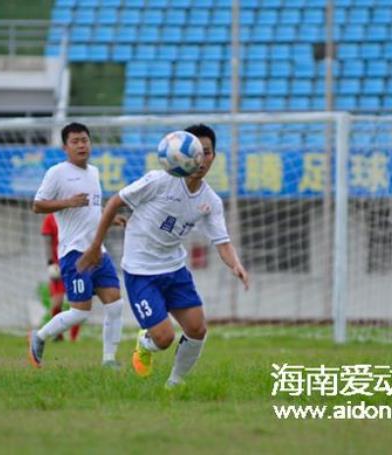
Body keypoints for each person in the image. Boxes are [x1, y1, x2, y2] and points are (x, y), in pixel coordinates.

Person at [77, 124, 249, 388]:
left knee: (197, 329)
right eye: (196, 153)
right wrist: (94, 246)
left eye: (206, 152)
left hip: (175, 270)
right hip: (141, 272)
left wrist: (235, 264)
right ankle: (144, 344)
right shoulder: (158, 181)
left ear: (214, 156)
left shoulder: (211, 201)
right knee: (164, 338)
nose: (200, 159)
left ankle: (175, 383)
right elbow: (114, 202)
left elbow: (222, 242)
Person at [28, 122, 124, 369]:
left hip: (98, 251)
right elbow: (37, 205)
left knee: (115, 304)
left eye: (85, 140)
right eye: (75, 141)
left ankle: (109, 360)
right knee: (80, 312)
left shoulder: (94, 172)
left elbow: (92, 209)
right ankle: (39, 336)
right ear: (65, 147)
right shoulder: (57, 173)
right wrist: (68, 202)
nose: (82, 145)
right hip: (74, 254)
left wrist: (111, 219)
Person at [41, 213, 80, 342]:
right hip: (58, 267)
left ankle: (73, 339)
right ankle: (58, 335)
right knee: (56, 302)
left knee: (78, 303)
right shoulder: (50, 218)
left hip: (75, 265)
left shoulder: (74, 216)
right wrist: (50, 262)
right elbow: (47, 241)